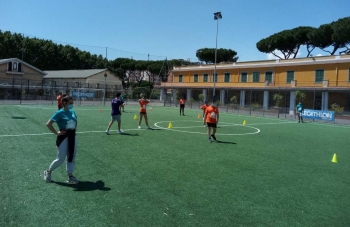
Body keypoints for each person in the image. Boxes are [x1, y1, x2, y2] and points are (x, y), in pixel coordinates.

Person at [44, 95, 79, 184]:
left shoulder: (72, 112)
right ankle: (48, 172)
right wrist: (57, 133)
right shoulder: (59, 113)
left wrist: (74, 130)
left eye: (72, 103)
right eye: (70, 103)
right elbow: (48, 124)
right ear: (64, 103)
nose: (72, 105)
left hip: (72, 136)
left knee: (71, 156)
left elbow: (75, 121)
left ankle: (70, 176)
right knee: (61, 158)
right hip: (63, 137)